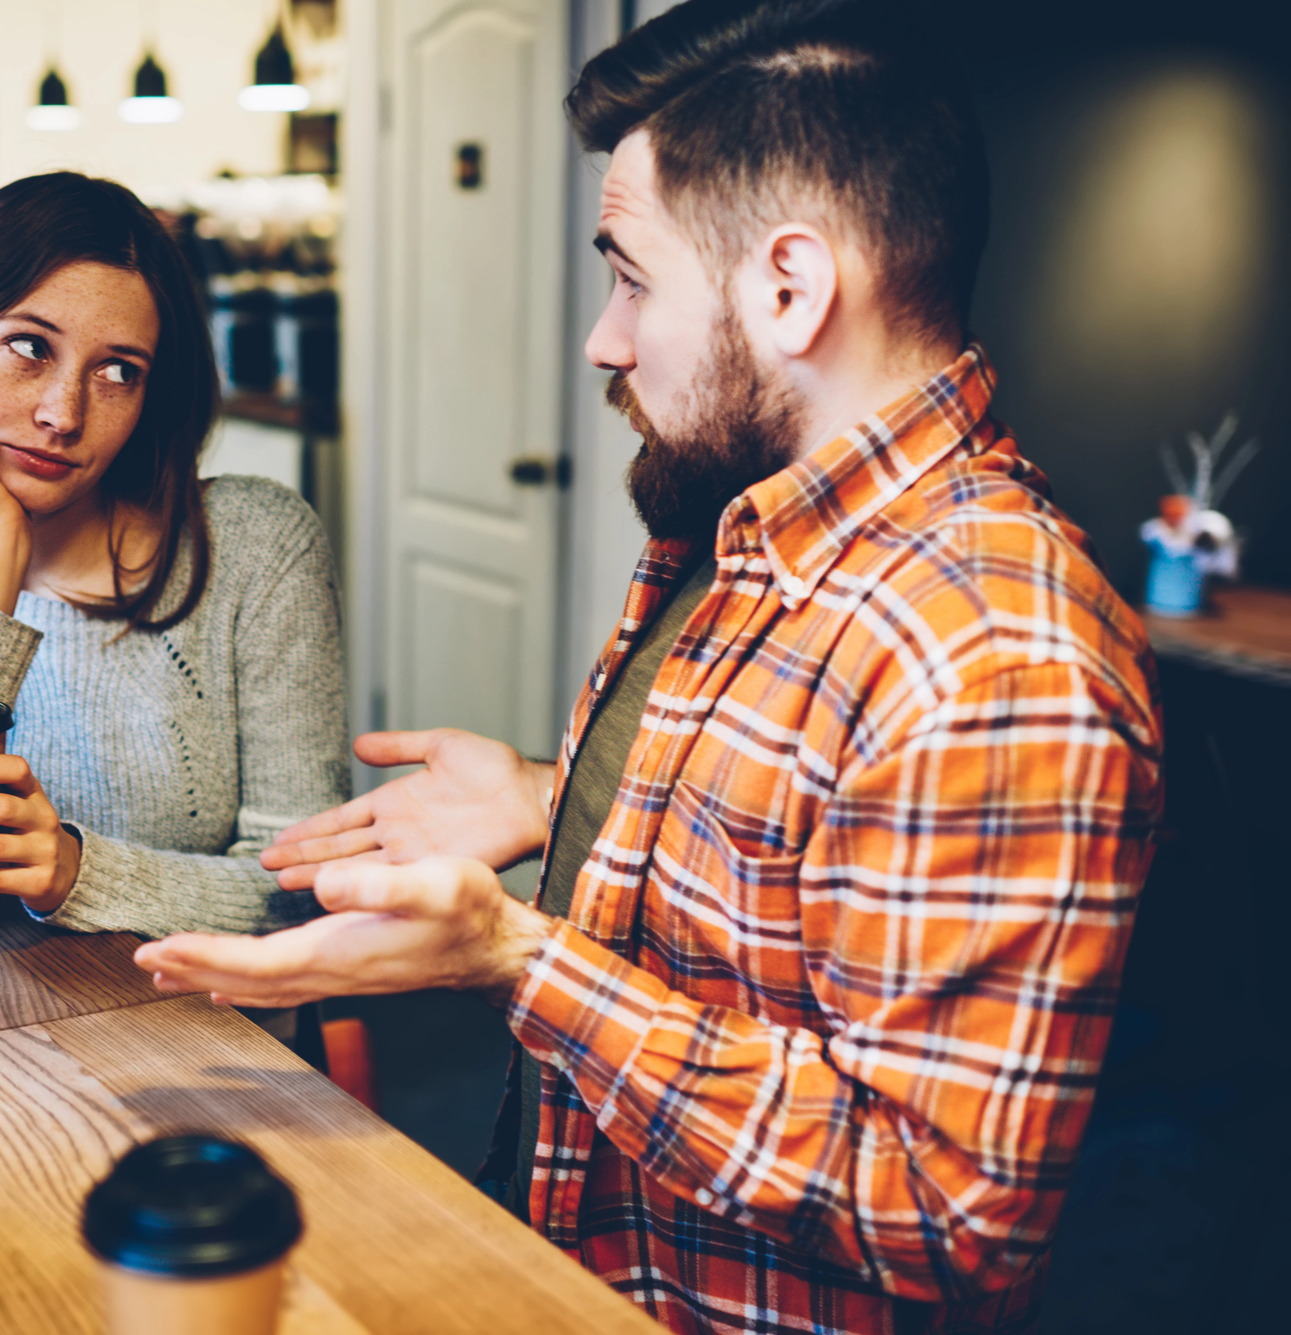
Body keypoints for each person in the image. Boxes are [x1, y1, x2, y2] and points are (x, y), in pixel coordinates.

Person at [135, 2, 1162, 1331]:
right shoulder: (746, 518)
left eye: (630, 275)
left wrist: (514, 954)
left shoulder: (998, 654)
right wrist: (558, 796)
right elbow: (800, 857)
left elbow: (943, 1208)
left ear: (790, 288)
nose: (603, 338)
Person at [0, 172, 347, 940]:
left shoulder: (258, 543)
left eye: (119, 371)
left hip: (202, 1037)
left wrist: (72, 871)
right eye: (29, 347)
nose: (62, 414)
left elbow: (303, 891)